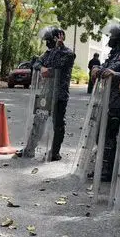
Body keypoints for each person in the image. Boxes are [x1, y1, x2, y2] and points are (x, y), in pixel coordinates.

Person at [91, 24, 120, 182]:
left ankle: (108, 170)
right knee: (100, 135)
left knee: (110, 136)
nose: (109, 39)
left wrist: (99, 70)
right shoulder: (114, 53)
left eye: (112, 36)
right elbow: (104, 67)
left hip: (117, 102)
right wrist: (97, 67)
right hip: (107, 100)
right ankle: (101, 166)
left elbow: (111, 70)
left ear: (119, 39)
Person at [36, 27, 76, 161]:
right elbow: (36, 62)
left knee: (58, 124)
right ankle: (29, 149)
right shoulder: (47, 53)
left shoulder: (68, 53)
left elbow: (57, 65)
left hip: (59, 95)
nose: (47, 43)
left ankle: (54, 152)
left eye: (49, 40)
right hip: (46, 93)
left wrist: (59, 47)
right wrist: (41, 67)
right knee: (38, 121)